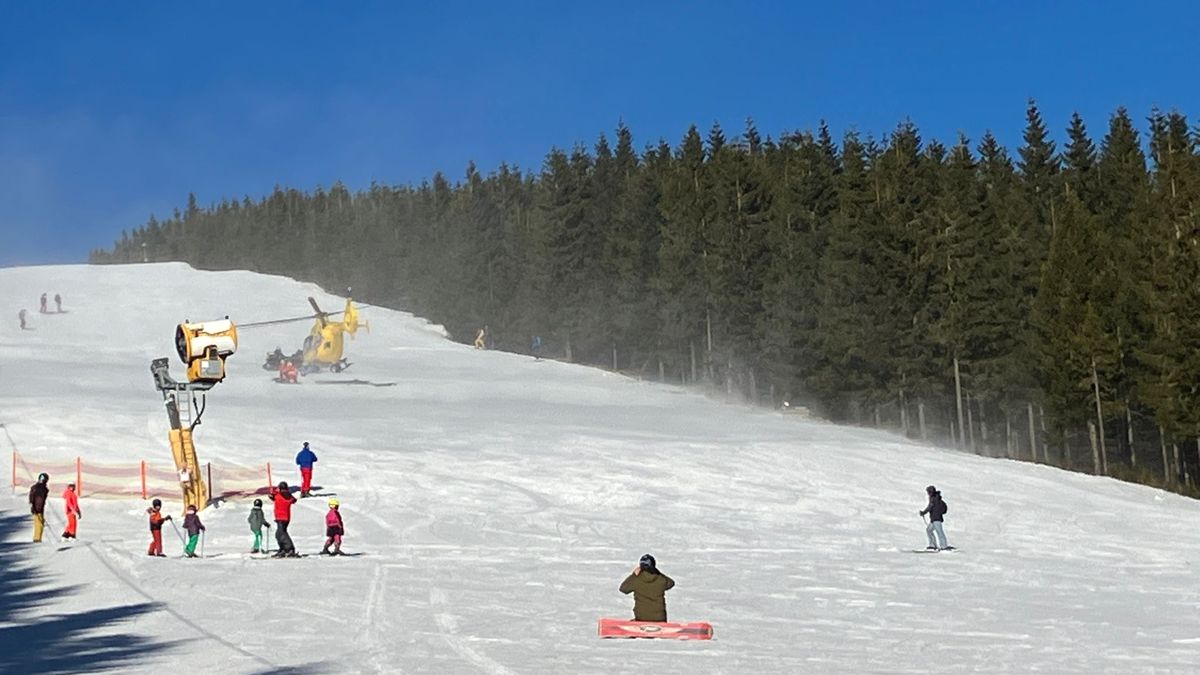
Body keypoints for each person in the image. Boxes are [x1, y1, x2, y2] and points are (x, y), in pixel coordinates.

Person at [619, 554, 675, 622]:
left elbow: (623, 589)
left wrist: (634, 575)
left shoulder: (636, 579)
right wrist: (657, 572)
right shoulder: (661, 579)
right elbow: (671, 583)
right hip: (659, 618)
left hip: (641, 618)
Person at [270, 481, 298, 557]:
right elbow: (294, 500)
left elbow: (272, 496)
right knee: (279, 534)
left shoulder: (277, 495)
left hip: (280, 517)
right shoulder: (288, 496)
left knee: (282, 534)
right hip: (285, 518)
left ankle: (289, 548)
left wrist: (273, 492)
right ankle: (283, 549)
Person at [919, 485, 950, 550]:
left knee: (939, 532)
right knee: (929, 530)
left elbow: (930, 507)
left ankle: (943, 546)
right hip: (934, 519)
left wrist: (923, 512)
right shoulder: (936, 498)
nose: (927, 493)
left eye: (928, 492)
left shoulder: (933, 499)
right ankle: (933, 545)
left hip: (936, 519)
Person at [29, 473, 49, 542]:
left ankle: (37, 537)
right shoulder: (42, 488)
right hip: (38, 508)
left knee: (39, 522)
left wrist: (32, 505)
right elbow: (39, 499)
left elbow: (31, 498)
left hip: (36, 507)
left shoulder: (35, 487)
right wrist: (37, 508)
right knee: (39, 523)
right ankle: (37, 538)